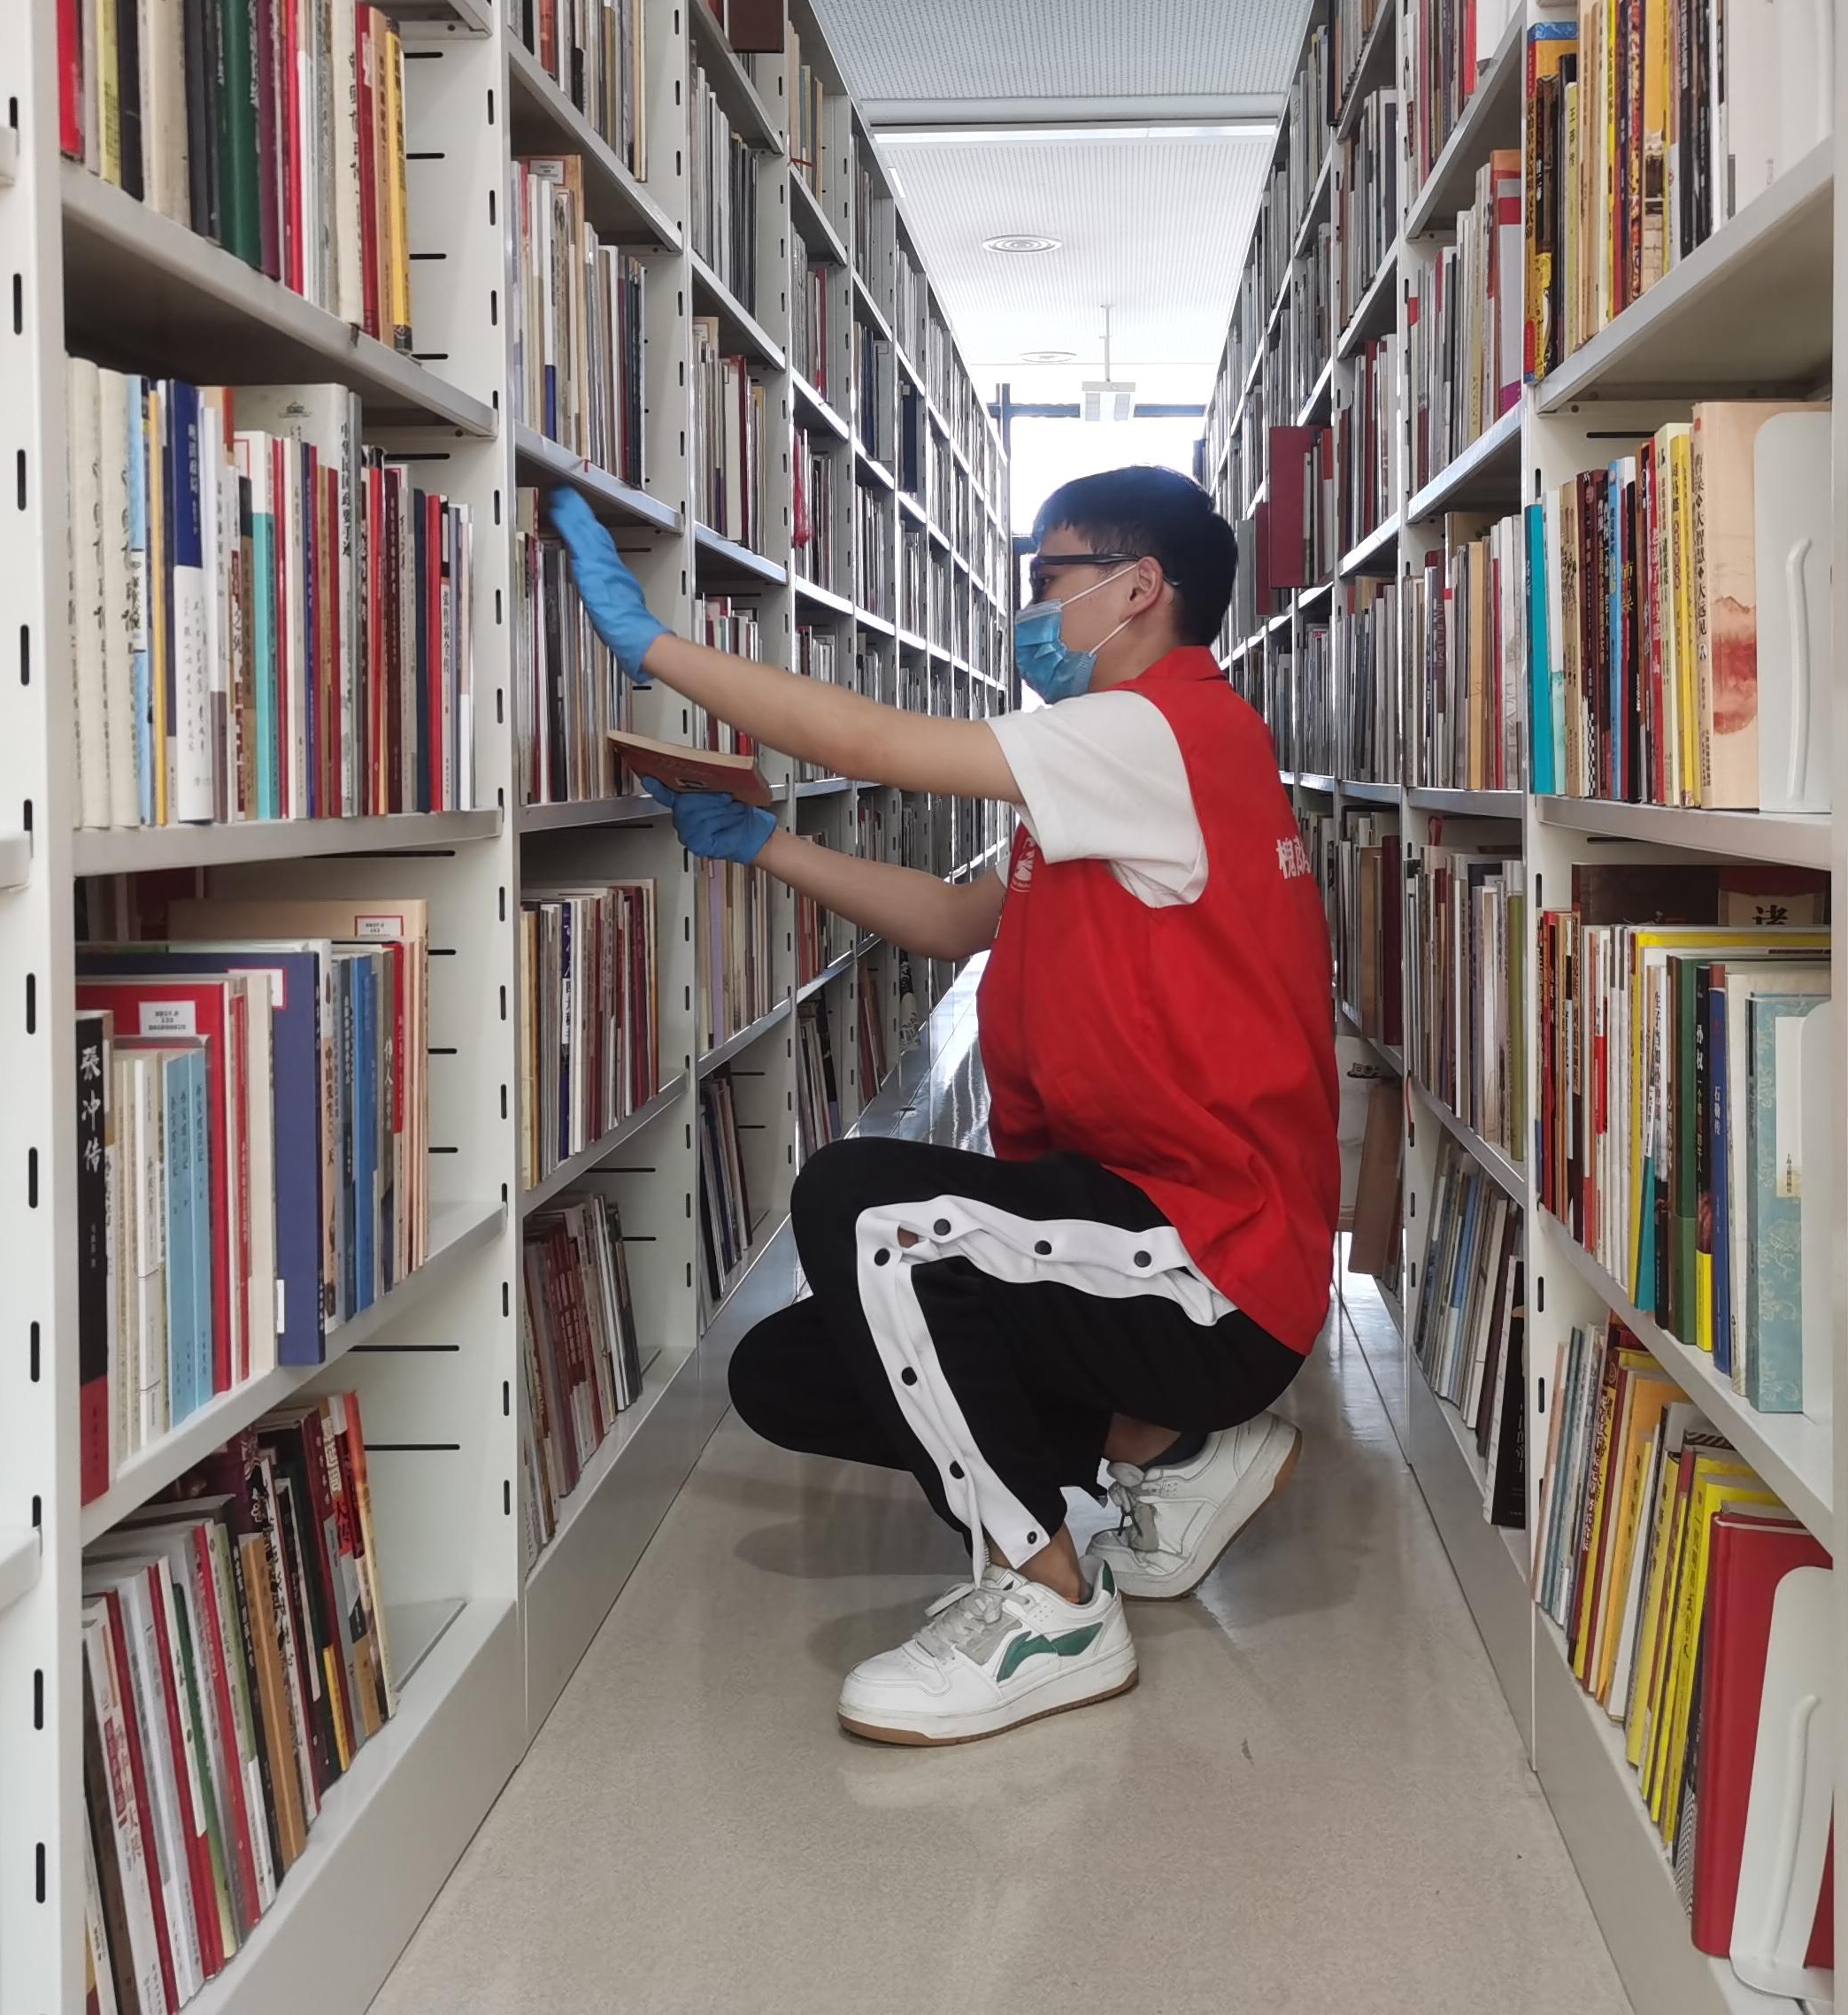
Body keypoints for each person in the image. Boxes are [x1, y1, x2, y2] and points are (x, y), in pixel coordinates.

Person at [540, 464, 1341, 1745]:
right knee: (788, 1374)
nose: (1030, 608)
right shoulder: (1115, 757)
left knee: (865, 1208)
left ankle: (1052, 1603)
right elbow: (963, 922)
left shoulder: (1160, 729)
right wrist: (765, 844)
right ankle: (1168, 1448)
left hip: (1211, 1257)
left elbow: (870, 743)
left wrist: (655, 649)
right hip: (1131, 1223)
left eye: (1049, 577)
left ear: (1139, 588)